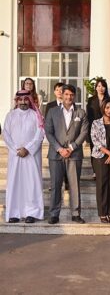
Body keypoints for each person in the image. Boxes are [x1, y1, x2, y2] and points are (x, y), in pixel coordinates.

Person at [45, 84, 89, 224]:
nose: (69, 97)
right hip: (56, 154)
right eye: (66, 94)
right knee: (56, 185)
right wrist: (59, 148)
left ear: (74, 96)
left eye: (71, 95)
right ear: (61, 95)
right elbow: (49, 132)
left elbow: (84, 132)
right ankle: (54, 214)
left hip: (74, 154)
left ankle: (76, 213)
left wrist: (71, 147)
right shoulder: (52, 111)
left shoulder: (81, 113)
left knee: (74, 185)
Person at [3, 90, 45, 223]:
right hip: (15, 156)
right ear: (17, 101)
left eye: (26, 99)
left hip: (31, 156)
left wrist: (27, 148)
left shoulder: (36, 115)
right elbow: (6, 134)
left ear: (30, 100)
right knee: (15, 184)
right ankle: (14, 212)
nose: (23, 102)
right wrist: (17, 149)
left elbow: (40, 134)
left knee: (31, 184)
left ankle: (31, 213)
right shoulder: (10, 115)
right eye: (20, 100)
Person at [87, 79, 110, 178]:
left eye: (103, 86)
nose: (101, 88)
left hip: (107, 128)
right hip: (94, 128)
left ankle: (105, 168)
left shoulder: (109, 99)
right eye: (99, 86)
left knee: (106, 148)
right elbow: (89, 116)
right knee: (94, 149)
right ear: (96, 88)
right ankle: (95, 171)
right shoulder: (91, 100)